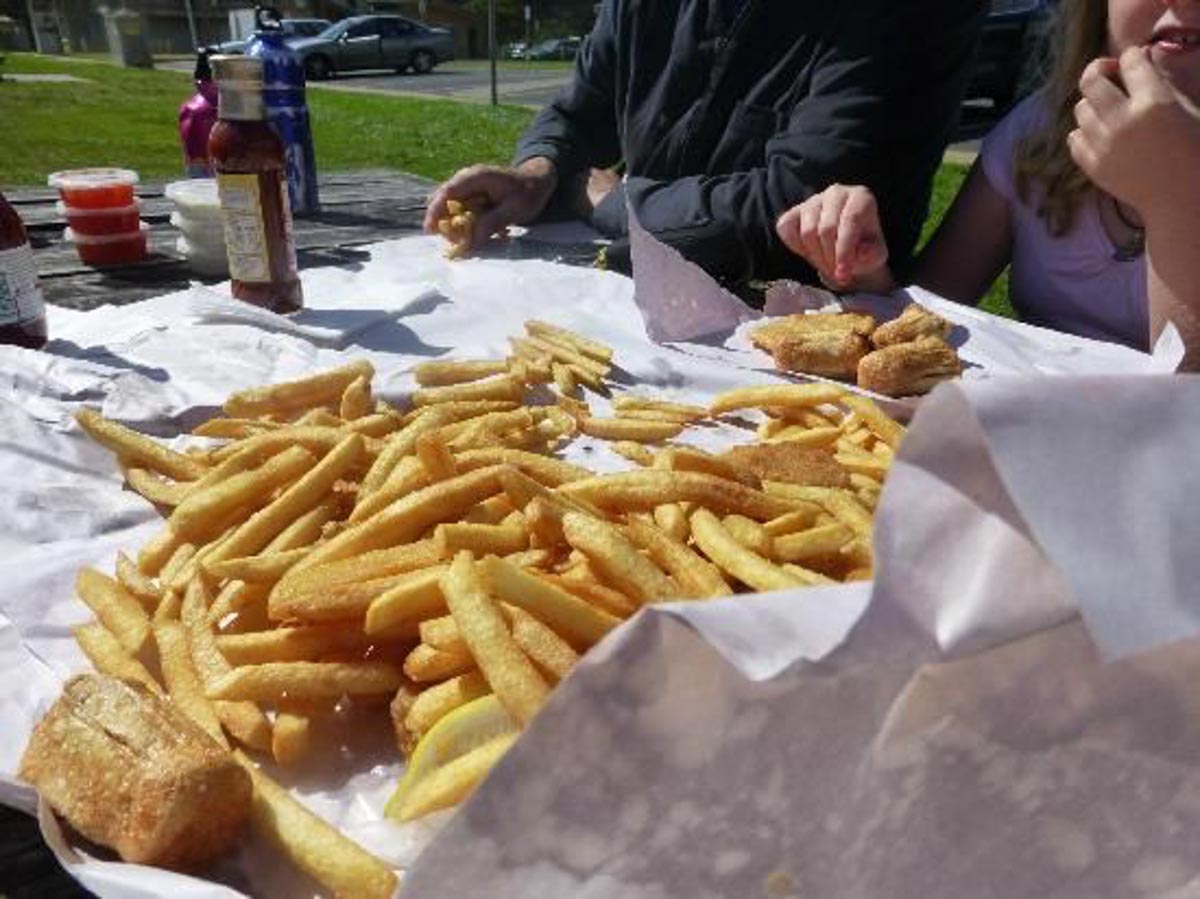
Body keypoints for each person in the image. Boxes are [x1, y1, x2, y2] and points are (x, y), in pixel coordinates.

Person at [424, 0, 985, 286]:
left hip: (798, 358)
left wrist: (614, 202)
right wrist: (536, 175)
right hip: (625, 308)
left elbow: (790, 209)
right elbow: (580, 110)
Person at [777, 0, 1200, 369]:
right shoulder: (1040, 132)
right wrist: (865, 268)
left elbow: (1187, 410)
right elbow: (927, 314)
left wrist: (1176, 202)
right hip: (1030, 441)